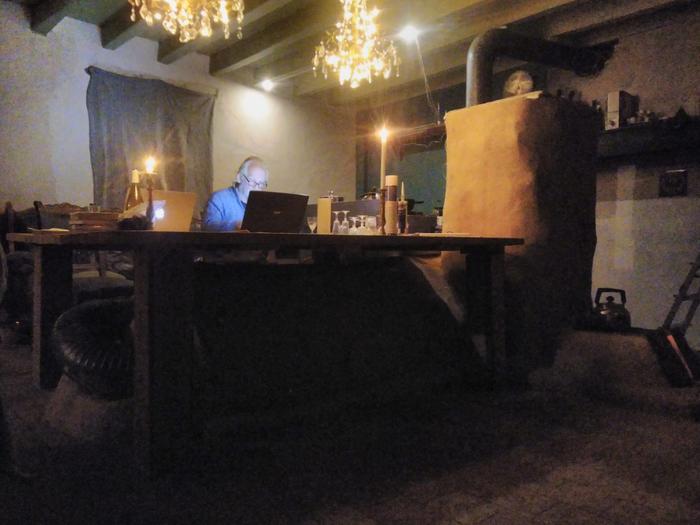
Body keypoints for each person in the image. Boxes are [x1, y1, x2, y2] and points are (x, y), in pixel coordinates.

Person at [203, 156, 269, 231]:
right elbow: (207, 227)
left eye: (261, 184)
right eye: (252, 181)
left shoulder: (263, 206)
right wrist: (233, 226)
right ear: (239, 177)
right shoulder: (219, 199)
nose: (256, 187)